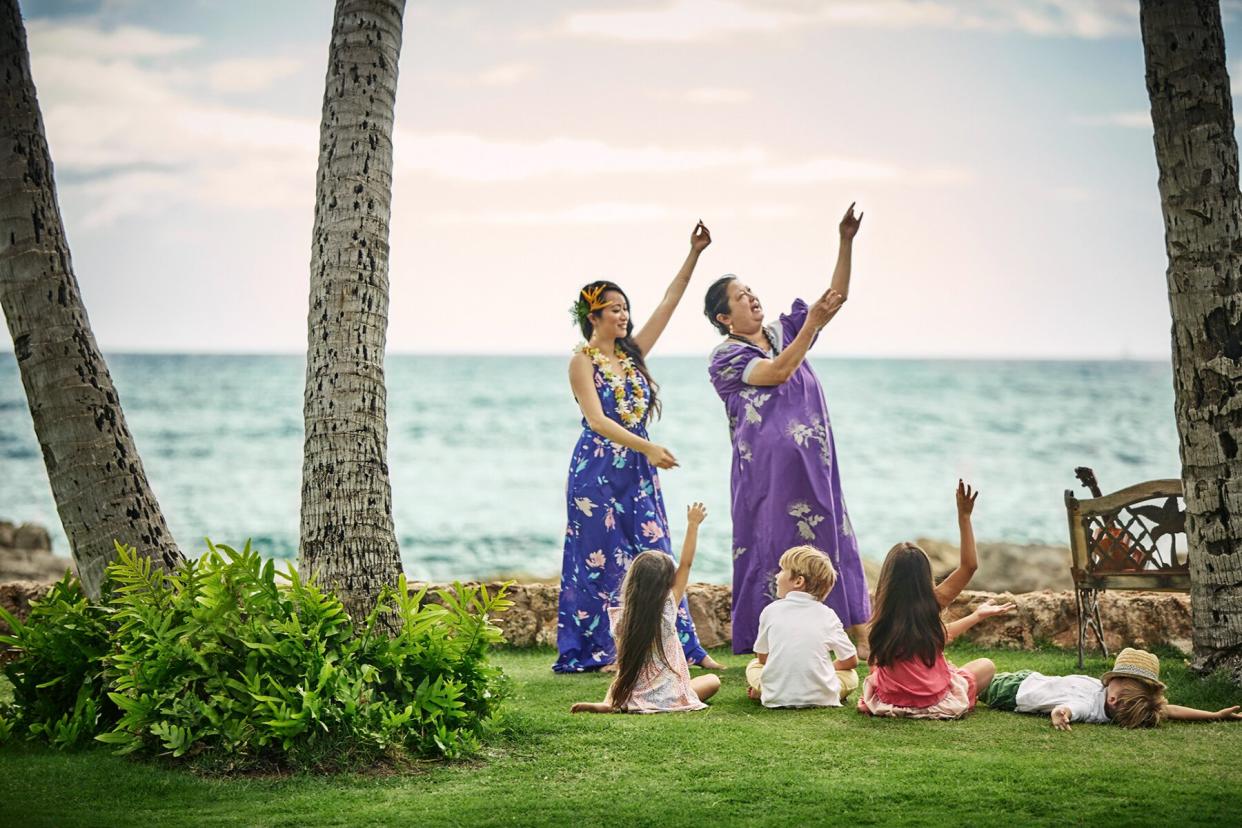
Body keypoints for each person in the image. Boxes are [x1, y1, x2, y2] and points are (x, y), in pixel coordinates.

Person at [555, 222, 724, 673]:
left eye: (626, 308)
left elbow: (669, 303)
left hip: (637, 472)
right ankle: (609, 650)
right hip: (597, 471)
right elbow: (596, 420)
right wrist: (647, 447)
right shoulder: (580, 361)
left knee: (657, 551)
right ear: (593, 317)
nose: (623, 316)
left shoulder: (632, 355)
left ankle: (686, 646)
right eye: (614, 309)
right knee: (603, 559)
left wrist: (694, 254)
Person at [704, 204, 869, 654]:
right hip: (768, 477)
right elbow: (776, 372)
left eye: (752, 291)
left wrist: (846, 240)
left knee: (833, 538)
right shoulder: (726, 358)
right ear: (724, 317)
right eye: (740, 297)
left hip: (814, 463)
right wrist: (810, 325)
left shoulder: (782, 331)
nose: (752, 298)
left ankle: (856, 639)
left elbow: (834, 297)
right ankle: (772, 644)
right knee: (772, 548)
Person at [857, 482, 1015, 719]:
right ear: (924, 576)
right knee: (986, 666)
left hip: (890, 700)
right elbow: (969, 566)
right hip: (933, 700)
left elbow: (936, 635)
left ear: (888, 576)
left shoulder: (880, 609)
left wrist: (975, 616)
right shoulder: (934, 601)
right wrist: (965, 516)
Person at [570, 503, 723, 713]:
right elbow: (686, 564)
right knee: (712, 680)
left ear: (632, 582)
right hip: (673, 694)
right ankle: (637, 702)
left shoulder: (622, 620)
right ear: (667, 583)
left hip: (635, 695)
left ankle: (608, 704)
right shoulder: (667, 609)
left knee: (621, 677)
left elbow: (623, 667)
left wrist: (614, 698)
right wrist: (692, 524)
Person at [981, 647, 1242, 730]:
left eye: (1115, 678)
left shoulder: (1089, 707)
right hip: (1032, 678)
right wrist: (1214, 715)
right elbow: (1168, 709)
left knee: (967, 677)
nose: (1108, 680)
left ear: (1114, 698)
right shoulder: (1134, 702)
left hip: (1010, 691)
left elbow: (1071, 709)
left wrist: (1060, 713)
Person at [745, 545, 859, 708]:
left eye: (782, 570)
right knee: (851, 676)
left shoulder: (770, 611)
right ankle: (821, 691)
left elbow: (762, 658)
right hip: (822, 696)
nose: (777, 575)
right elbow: (850, 661)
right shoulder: (828, 615)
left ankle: (764, 691)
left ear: (798, 581)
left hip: (777, 695)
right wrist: (827, 670)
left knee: (753, 666)